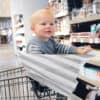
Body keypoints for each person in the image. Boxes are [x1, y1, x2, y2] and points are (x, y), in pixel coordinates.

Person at [26, 7, 93, 99]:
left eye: (51, 23)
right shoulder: (34, 44)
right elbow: (38, 62)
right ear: (33, 29)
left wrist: (77, 50)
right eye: (43, 24)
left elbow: (60, 47)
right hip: (41, 79)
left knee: (69, 77)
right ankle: (88, 95)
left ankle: (88, 93)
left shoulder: (50, 40)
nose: (48, 26)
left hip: (51, 74)